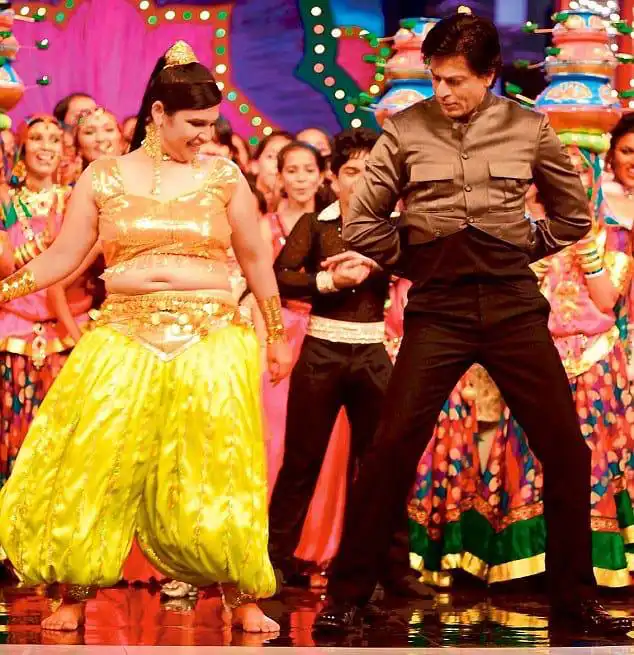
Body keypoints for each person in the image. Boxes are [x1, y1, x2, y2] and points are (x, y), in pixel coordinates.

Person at [314, 13, 632, 634]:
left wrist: (518, 248)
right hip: (439, 307)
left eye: (455, 80)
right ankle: (348, 595)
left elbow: (573, 216)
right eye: (435, 79)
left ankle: (575, 599)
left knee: (566, 449)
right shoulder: (406, 130)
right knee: (390, 447)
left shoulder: (528, 127)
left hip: (512, 302)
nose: (443, 91)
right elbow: (361, 222)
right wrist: (419, 258)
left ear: (489, 75)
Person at [0, 41, 291, 634]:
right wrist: (3, 291)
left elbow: (257, 261)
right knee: (92, 458)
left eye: (212, 124)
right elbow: (62, 257)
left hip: (211, 334)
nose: (206, 136)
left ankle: (241, 595)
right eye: (195, 124)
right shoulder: (104, 176)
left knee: (220, 468)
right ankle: (74, 591)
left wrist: (277, 334)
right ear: (159, 113)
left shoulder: (223, 176)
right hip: (123, 333)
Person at [268, 127, 435, 598]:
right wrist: (328, 283)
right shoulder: (316, 224)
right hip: (321, 351)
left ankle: (393, 570)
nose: (360, 182)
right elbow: (281, 276)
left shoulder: (392, 229)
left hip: (372, 352)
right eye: (351, 172)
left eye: (370, 173)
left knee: (380, 463)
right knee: (301, 461)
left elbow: (422, 263)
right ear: (334, 177)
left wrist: (377, 262)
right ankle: (273, 563)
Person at [0, 115, 92, 486]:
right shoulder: (7, 201)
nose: (46, 146)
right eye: (37, 138)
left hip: (68, 329)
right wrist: (45, 244)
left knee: (65, 437)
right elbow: (5, 266)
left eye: (54, 139)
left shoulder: (75, 200)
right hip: (14, 328)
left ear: (65, 151)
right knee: (14, 430)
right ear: (22, 149)